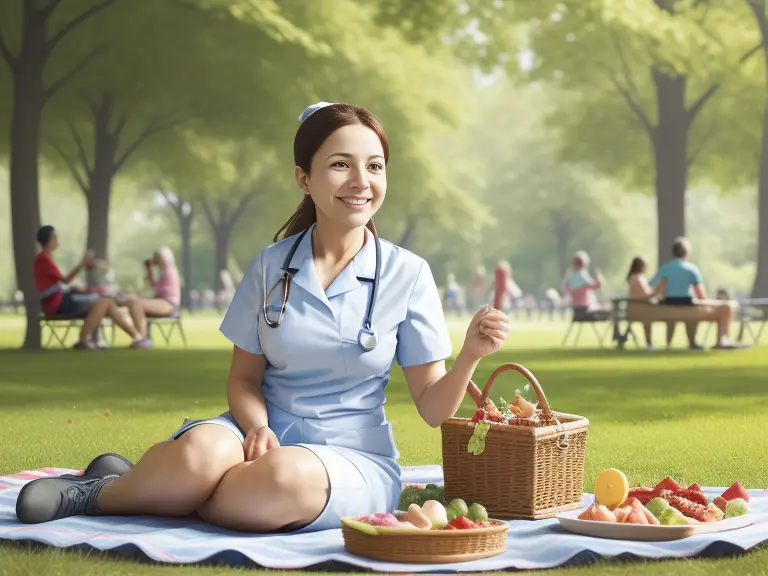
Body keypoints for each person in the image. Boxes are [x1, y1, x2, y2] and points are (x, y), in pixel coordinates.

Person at [15, 101, 511, 532]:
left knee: (279, 481)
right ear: (304, 178)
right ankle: (98, 493)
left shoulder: (408, 273)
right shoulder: (272, 266)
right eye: (341, 165)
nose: (362, 181)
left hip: (350, 458)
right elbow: (244, 381)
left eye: (375, 166)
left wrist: (469, 354)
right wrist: (254, 428)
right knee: (200, 456)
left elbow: (432, 409)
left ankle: (162, 488)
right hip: (257, 434)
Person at [650, 237, 744, 350]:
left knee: (684, 311)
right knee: (725, 307)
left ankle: (669, 343)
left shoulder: (666, 267)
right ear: (687, 252)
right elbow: (700, 295)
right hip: (688, 305)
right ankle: (716, 340)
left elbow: (652, 285)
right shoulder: (691, 269)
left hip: (669, 305)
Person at [119, 247, 182, 347]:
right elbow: (153, 284)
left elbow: (160, 290)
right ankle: (141, 337)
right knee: (132, 301)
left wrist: (151, 267)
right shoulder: (163, 272)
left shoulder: (169, 272)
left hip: (169, 303)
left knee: (135, 303)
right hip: (162, 301)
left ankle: (142, 338)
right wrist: (149, 270)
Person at [33, 225, 100, 318]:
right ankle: (88, 333)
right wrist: (82, 263)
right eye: (55, 237)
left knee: (102, 303)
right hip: (57, 305)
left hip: (58, 302)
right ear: (49, 239)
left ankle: (91, 332)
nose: (57, 239)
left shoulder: (44, 259)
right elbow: (65, 280)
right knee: (100, 305)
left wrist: (69, 289)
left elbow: (53, 284)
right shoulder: (44, 260)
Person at [625, 256, 662, 350]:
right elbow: (645, 295)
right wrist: (658, 291)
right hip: (639, 308)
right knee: (648, 320)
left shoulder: (635, 277)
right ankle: (649, 343)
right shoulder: (637, 278)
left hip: (635, 307)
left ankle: (626, 336)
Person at [562, 251, 610, 321]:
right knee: (609, 312)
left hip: (576, 312)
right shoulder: (582, 277)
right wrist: (599, 276)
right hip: (586, 311)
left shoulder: (570, 278)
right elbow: (596, 286)